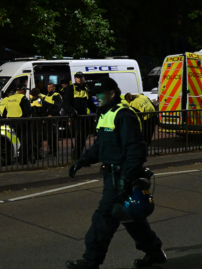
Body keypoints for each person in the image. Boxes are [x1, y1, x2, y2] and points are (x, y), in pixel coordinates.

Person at [66, 77, 166, 269]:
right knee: (130, 217)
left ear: (112, 93)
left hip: (122, 176)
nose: (96, 98)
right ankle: (154, 252)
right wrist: (82, 160)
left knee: (104, 217)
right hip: (112, 176)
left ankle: (91, 261)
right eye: (94, 95)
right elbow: (100, 146)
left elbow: (136, 150)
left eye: (100, 94)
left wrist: (126, 179)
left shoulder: (123, 115)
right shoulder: (104, 114)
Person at [63, 71, 97, 159]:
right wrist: (71, 111)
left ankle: (76, 156)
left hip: (84, 117)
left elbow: (90, 104)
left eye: (81, 77)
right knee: (80, 136)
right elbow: (66, 102)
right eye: (78, 77)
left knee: (82, 137)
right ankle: (76, 157)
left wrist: (98, 110)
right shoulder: (71, 88)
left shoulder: (86, 89)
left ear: (84, 78)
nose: (79, 79)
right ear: (75, 79)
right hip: (75, 117)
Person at [2, 86, 33, 164]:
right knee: (25, 141)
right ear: (22, 90)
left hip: (11, 122)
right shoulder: (23, 98)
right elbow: (27, 111)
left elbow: (5, 112)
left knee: (19, 140)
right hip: (21, 122)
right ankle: (23, 160)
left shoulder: (10, 98)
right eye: (25, 90)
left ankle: (20, 158)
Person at [42, 83, 63, 156]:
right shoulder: (46, 96)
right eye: (48, 87)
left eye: (50, 87)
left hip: (54, 118)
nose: (48, 89)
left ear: (54, 88)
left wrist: (52, 114)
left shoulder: (56, 95)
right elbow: (44, 108)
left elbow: (58, 106)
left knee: (54, 134)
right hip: (47, 118)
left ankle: (55, 151)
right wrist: (44, 117)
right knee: (48, 135)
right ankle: (51, 150)